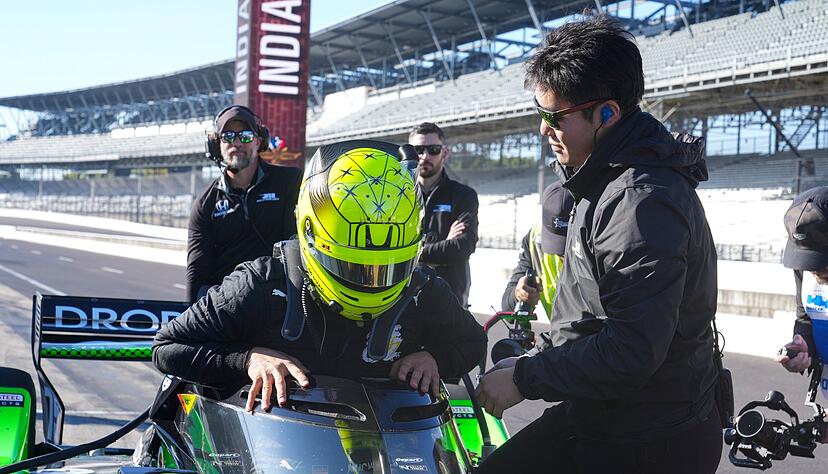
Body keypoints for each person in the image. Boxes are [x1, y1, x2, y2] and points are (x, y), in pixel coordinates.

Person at [475, 15, 721, 473]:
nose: (543, 130)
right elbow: (592, 320)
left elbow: (632, 350)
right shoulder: (608, 180)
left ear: (605, 114)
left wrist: (526, 379)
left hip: (648, 440)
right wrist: (534, 361)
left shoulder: (637, 201)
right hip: (613, 417)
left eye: (554, 117)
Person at [154, 140, 487, 412]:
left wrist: (436, 359)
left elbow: (473, 342)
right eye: (354, 267)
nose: (372, 281)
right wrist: (247, 359)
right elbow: (168, 346)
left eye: (389, 268)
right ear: (311, 237)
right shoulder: (259, 283)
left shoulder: (423, 290)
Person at [186, 105, 302, 303]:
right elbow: (197, 274)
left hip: (280, 305)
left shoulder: (291, 182)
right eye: (228, 136)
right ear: (216, 145)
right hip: (229, 310)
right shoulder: (205, 204)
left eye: (246, 136)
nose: (237, 143)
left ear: (259, 141)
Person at [775, 186, 828, 443]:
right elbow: (806, 315)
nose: (814, 271)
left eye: (822, 260)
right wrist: (802, 343)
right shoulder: (806, 266)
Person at [409, 122, 479, 307]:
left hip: (450, 300)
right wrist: (442, 246)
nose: (425, 156)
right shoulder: (398, 197)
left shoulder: (463, 195)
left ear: (444, 153)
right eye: (418, 150)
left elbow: (462, 247)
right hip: (404, 300)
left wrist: (413, 254)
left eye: (433, 149)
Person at [501, 181, 574, 321]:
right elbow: (507, 309)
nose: (561, 255)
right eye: (556, 243)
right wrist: (519, 295)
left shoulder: (604, 240)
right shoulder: (534, 240)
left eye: (568, 244)